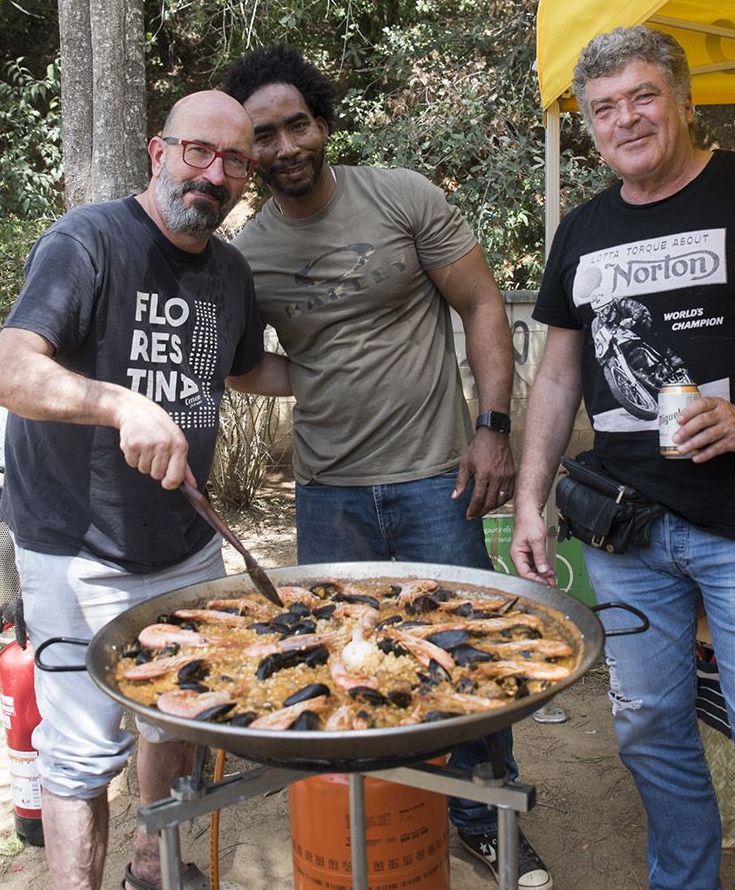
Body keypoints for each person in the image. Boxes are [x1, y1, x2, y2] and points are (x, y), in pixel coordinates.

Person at [509, 26, 735, 890]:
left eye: (642, 97)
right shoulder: (583, 232)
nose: (625, 119)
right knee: (648, 730)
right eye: (604, 108)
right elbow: (558, 377)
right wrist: (529, 499)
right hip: (626, 534)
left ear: (683, 98)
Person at [221, 45, 551, 889]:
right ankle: (369, 809)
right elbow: (239, 365)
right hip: (328, 490)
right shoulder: (246, 256)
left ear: (322, 122)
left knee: (467, 645)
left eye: (298, 122)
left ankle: (482, 812)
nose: (287, 144)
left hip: (438, 475)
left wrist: (493, 428)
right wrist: (322, 376)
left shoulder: (401, 195)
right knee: (344, 650)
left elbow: (480, 303)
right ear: (245, 148)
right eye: (265, 134)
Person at [0, 90, 286, 890]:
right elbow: (8, 373)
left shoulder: (227, 271)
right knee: (84, 749)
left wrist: (353, 374)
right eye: (198, 152)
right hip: (77, 551)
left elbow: (245, 368)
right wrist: (119, 403)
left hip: (184, 543)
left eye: (234, 163)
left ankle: (156, 871)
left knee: (180, 710)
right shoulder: (88, 240)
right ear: (159, 152)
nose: (212, 175)